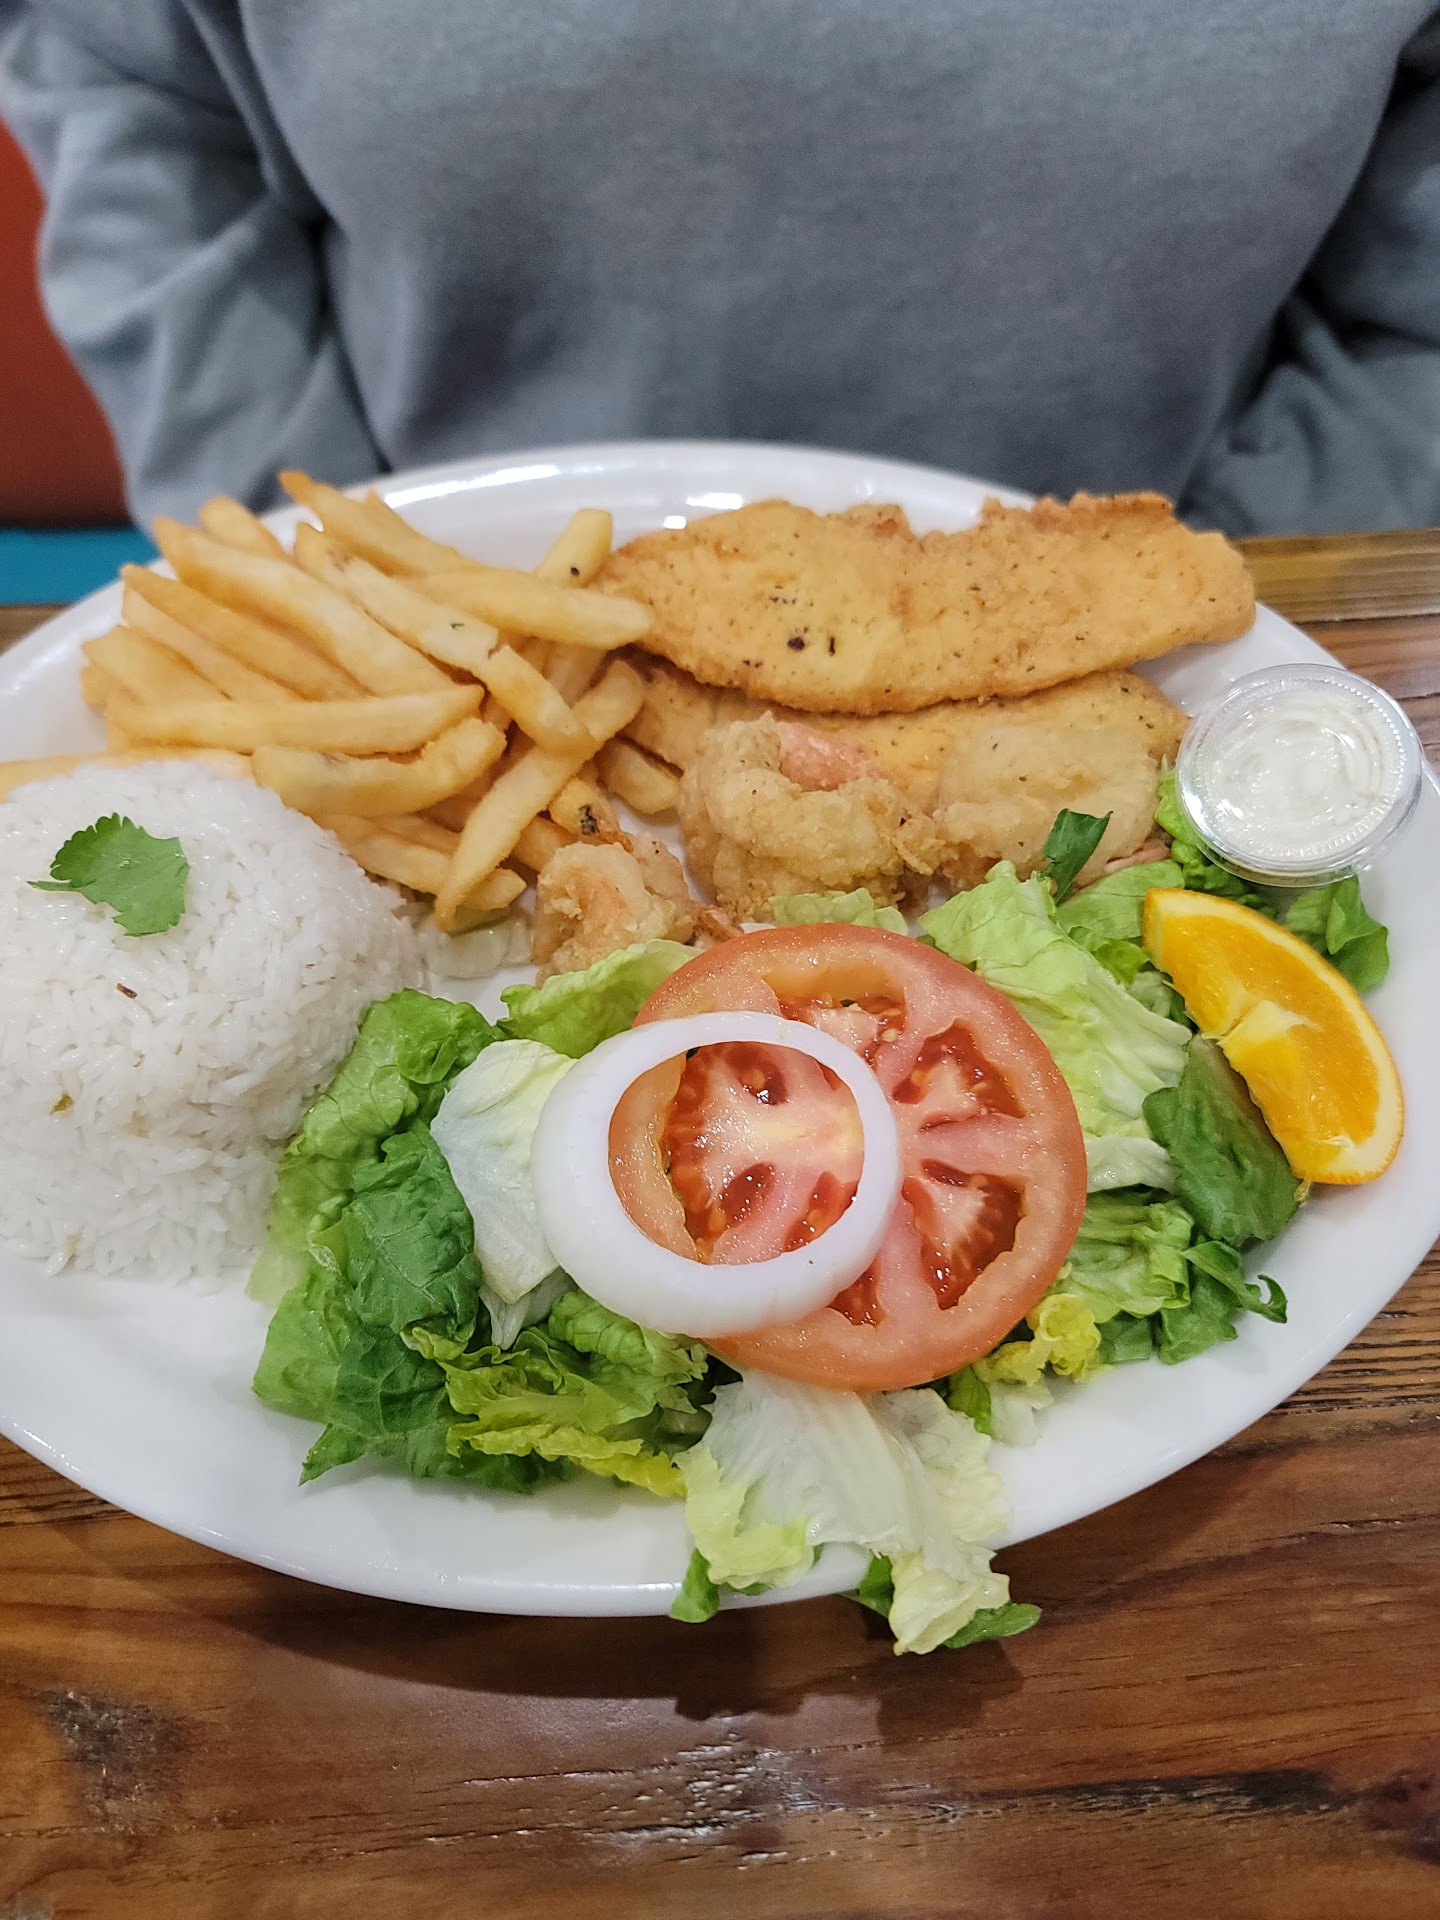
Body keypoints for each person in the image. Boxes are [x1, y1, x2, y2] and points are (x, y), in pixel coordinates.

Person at [2, 1, 1438, 537]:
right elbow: (127, 78)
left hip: (1191, 601)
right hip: (438, 623)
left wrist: (1234, 599)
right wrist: (320, 572)